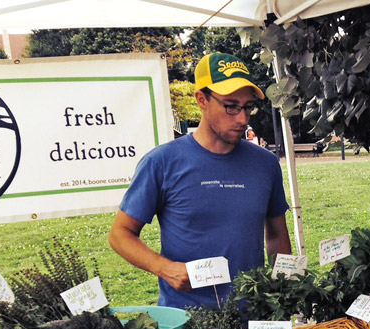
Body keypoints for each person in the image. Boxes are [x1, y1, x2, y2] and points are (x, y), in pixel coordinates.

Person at [109, 53, 291, 309]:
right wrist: (166, 269)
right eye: (231, 106)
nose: (242, 119)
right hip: (187, 318)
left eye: (248, 107)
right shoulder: (161, 163)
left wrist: (285, 288)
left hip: (253, 317)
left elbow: (276, 234)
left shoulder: (266, 163)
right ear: (202, 100)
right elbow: (120, 234)